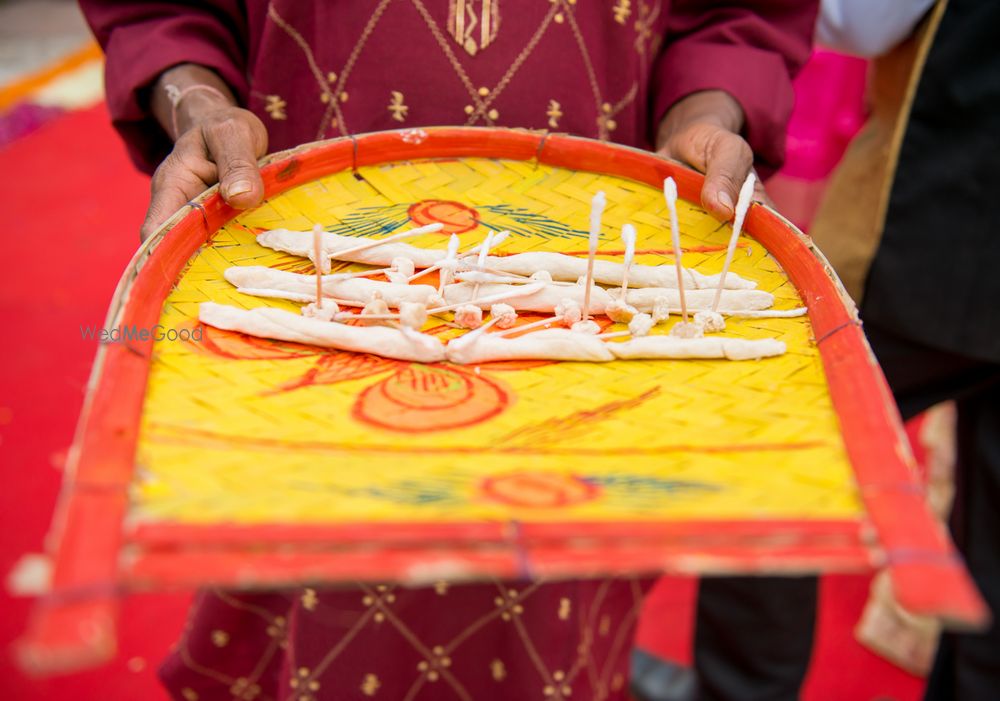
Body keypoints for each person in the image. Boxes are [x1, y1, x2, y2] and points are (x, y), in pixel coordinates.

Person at [79, 2, 818, 699]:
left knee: (550, 597)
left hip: (600, 276)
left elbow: (737, 15)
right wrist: (193, 99)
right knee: (321, 563)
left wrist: (705, 107)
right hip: (297, 229)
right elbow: (161, 12)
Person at [809, 0, 1000, 697]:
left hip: (937, 226)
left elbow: (857, 21)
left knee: (784, 459)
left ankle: (743, 685)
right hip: (946, 232)